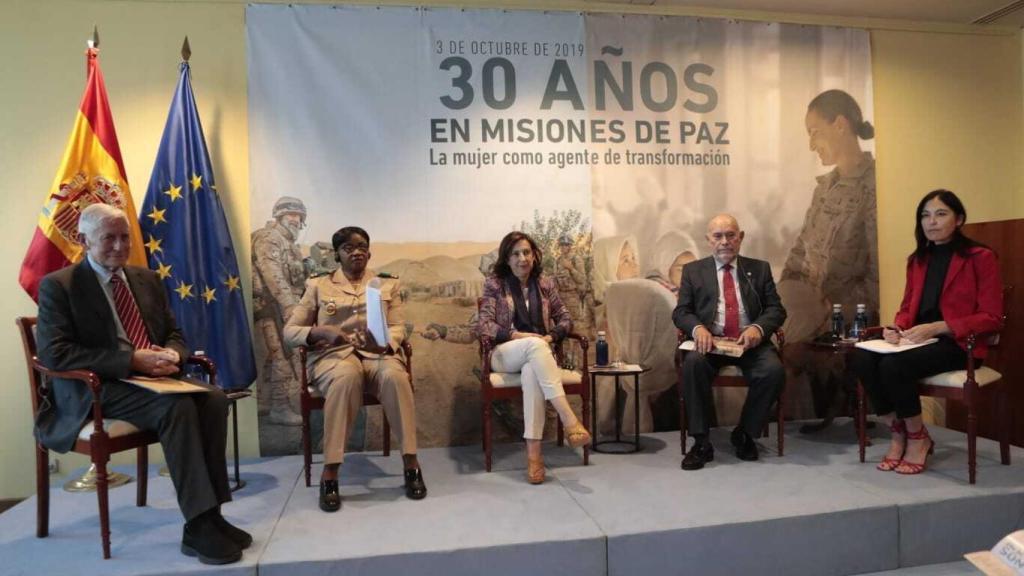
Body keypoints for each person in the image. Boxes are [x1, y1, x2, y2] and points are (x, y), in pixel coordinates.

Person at [35, 204, 250, 565]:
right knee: (177, 407)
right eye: (109, 238)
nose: (120, 246)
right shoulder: (60, 286)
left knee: (213, 399)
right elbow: (56, 354)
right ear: (84, 240)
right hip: (97, 387)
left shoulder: (146, 279)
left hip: (150, 379)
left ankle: (213, 515)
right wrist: (131, 361)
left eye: (125, 237)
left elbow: (174, 333)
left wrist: (173, 355)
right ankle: (198, 522)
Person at [850, 190, 1003, 475]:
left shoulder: (980, 257)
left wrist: (940, 326)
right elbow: (907, 309)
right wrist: (896, 328)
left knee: (894, 365)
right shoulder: (918, 259)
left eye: (940, 214)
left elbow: (992, 318)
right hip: (918, 341)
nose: (931, 222)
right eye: (925, 215)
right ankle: (898, 432)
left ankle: (917, 438)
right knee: (861, 357)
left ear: (958, 219)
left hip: (958, 344)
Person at [284, 226, 426, 512]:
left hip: (376, 354)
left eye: (362, 246)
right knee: (346, 379)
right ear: (337, 254)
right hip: (333, 356)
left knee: (396, 377)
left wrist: (387, 344)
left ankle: (411, 463)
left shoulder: (385, 284)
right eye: (349, 248)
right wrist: (321, 332)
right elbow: (290, 332)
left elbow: (398, 326)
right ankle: (331, 472)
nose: (357, 251)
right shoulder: (318, 285)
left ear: (370, 251)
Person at [673, 214, 787, 470]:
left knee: (773, 371)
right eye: (718, 236)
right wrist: (698, 328)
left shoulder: (759, 269)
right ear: (708, 240)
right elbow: (681, 312)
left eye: (730, 235)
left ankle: (745, 433)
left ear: (740, 237)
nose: (725, 242)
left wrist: (759, 328)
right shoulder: (694, 271)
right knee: (693, 365)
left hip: (749, 343)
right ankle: (701, 442)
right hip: (711, 343)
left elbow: (776, 309)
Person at [477, 231, 592, 484]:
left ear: (534, 255)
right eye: (516, 253)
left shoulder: (545, 283)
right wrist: (516, 335)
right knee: (532, 346)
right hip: (505, 353)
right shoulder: (495, 284)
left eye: (526, 252)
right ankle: (569, 418)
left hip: (538, 355)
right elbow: (484, 325)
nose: (522, 258)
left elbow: (565, 318)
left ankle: (534, 459)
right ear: (507, 259)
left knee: (532, 369)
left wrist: (550, 338)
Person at [781, 89, 878, 342]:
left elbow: (877, 275)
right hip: (807, 322)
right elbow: (800, 252)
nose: (811, 145)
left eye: (815, 132)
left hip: (845, 329)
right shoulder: (823, 188)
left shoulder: (875, 186)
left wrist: (832, 315)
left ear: (840, 125)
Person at [251, 196, 308, 426]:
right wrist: (290, 307)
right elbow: (272, 275)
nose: (296, 220)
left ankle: (264, 403)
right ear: (279, 216)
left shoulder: (289, 243)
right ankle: (280, 407)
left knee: (273, 356)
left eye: (299, 216)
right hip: (270, 307)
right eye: (291, 215)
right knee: (283, 356)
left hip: (280, 306)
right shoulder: (269, 238)